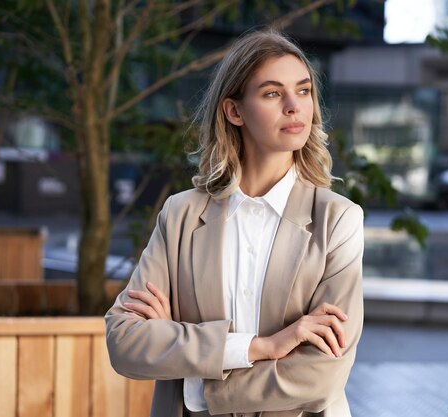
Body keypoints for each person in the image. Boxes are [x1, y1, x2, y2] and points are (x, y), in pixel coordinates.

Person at [105, 29, 364, 417]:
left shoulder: (337, 220)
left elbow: (321, 377)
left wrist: (193, 377)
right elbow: (125, 342)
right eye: (273, 93)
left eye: (304, 90)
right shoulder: (181, 215)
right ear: (234, 111)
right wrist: (260, 347)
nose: (294, 106)